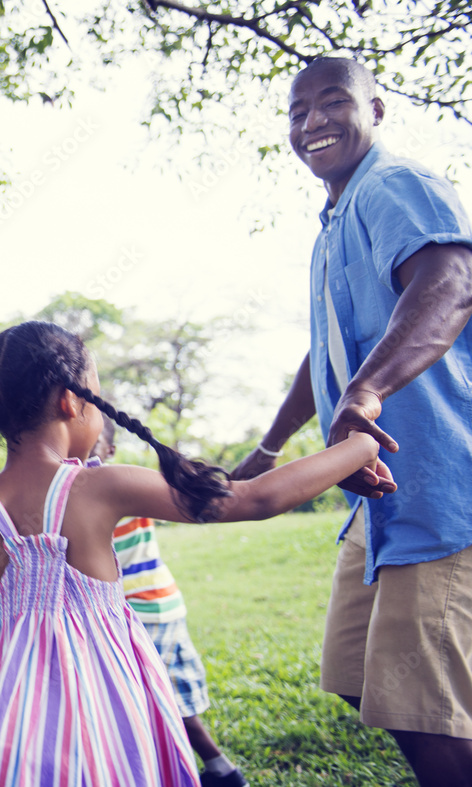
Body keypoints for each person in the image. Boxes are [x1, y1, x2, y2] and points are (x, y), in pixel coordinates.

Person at [0, 320, 386, 785]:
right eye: (95, 392)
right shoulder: (99, 484)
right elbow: (254, 498)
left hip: (5, 720)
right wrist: (358, 446)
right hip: (109, 708)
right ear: (71, 402)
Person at [231, 56, 472, 787]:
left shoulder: (393, 185)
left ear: (377, 108)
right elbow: (328, 349)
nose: (313, 123)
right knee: (356, 670)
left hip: (440, 490)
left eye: (333, 102)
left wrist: (365, 394)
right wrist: (269, 447)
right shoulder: (333, 226)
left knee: (424, 708)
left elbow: (452, 282)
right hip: (382, 504)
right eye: (298, 112)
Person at [91, 416, 248, 787]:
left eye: (94, 444)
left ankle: (176, 771)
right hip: (156, 606)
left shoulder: (110, 489)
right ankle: (221, 769)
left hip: (143, 610)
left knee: (147, 702)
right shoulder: (107, 486)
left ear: (110, 451)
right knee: (168, 698)